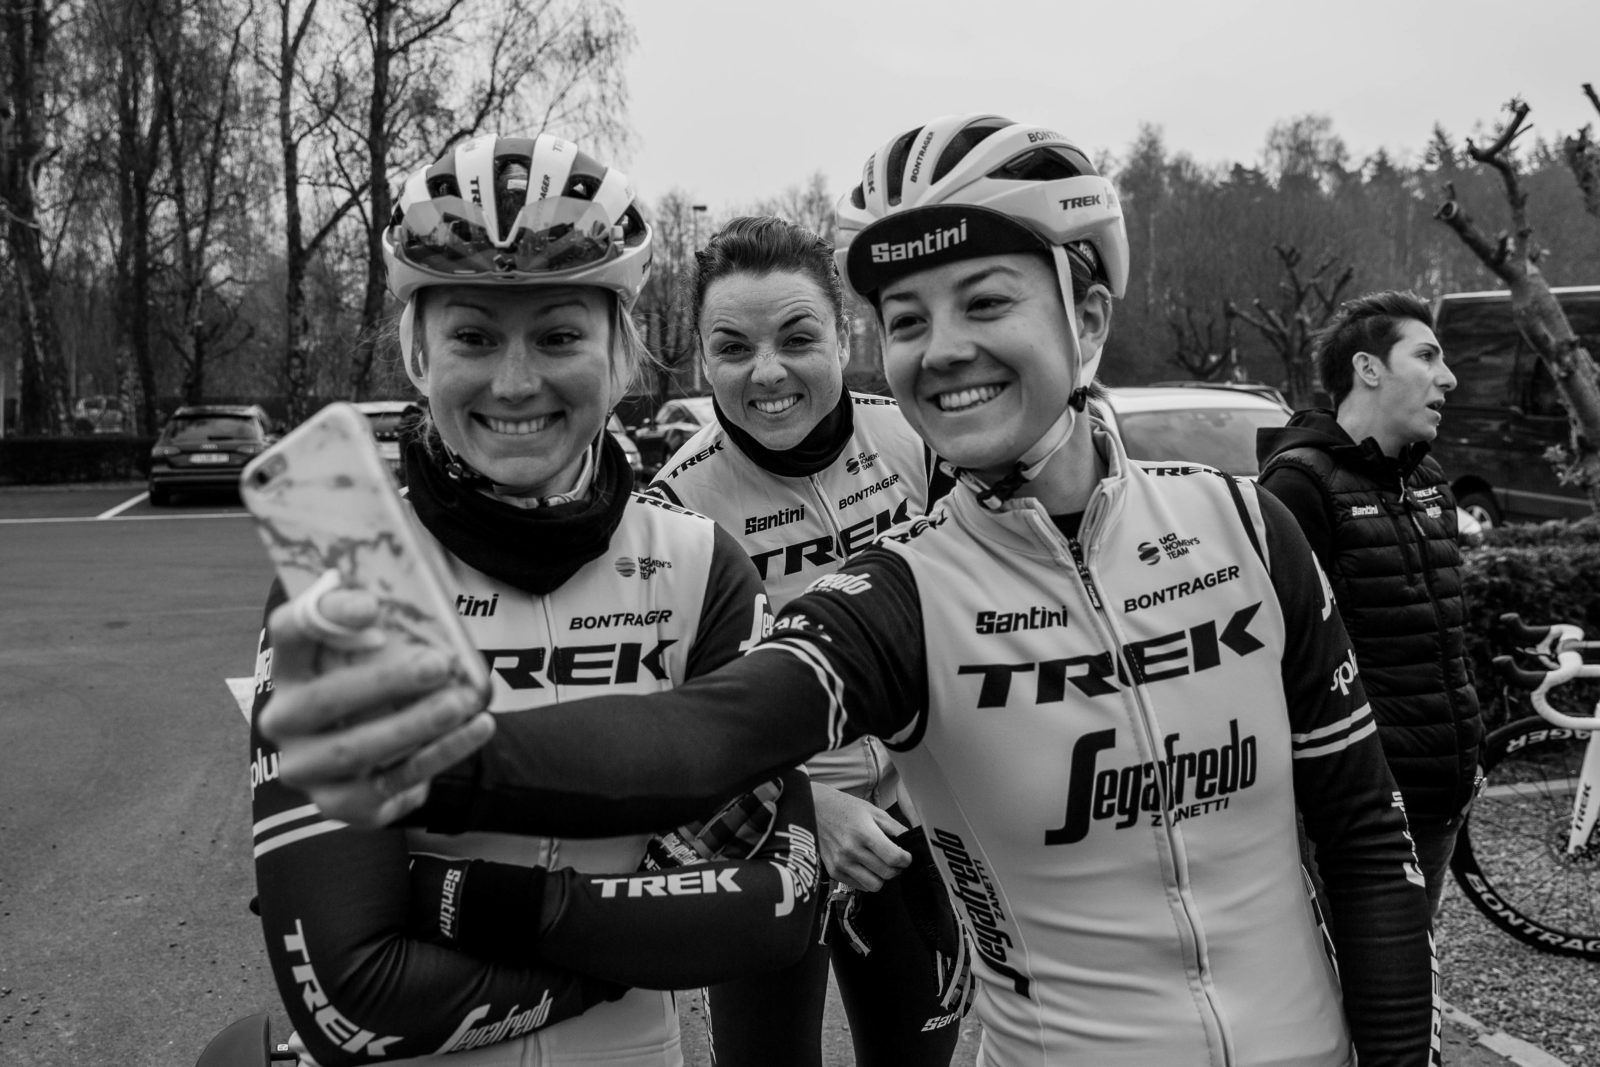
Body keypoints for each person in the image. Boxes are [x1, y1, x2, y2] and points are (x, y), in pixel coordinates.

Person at [260, 115, 1440, 1066]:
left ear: (1086, 317)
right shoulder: (901, 590)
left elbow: (1361, 832)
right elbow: (708, 737)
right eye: (909, 319)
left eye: (986, 301)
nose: (944, 347)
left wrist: (449, 865)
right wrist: (452, 769)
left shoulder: (1246, 524)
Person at [247, 133, 821, 1067]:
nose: (515, 383)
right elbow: (355, 998)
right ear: (418, 353)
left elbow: (774, 911)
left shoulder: (700, 566)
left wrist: (465, 898)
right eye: (473, 336)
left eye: (558, 336)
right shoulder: (344, 570)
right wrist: (626, 944)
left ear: (622, 353)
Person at [646, 214, 965, 1066]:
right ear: (702, 360)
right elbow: (675, 724)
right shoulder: (674, 507)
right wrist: (809, 807)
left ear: (844, 336)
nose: (768, 372)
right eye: (733, 347)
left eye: (797, 338)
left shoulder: (915, 438)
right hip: (763, 840)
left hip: (912, 825)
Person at [1257, 290, 1482, 917]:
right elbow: (1280, 662)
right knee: (1348, 973)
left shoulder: (1429, 479)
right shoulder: (1299, 483)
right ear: (1368, 369)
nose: (1448, 378)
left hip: (1440, 793)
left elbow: (1442, 640)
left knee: (1418, 963)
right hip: (1359, 818)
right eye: (1427, 356)